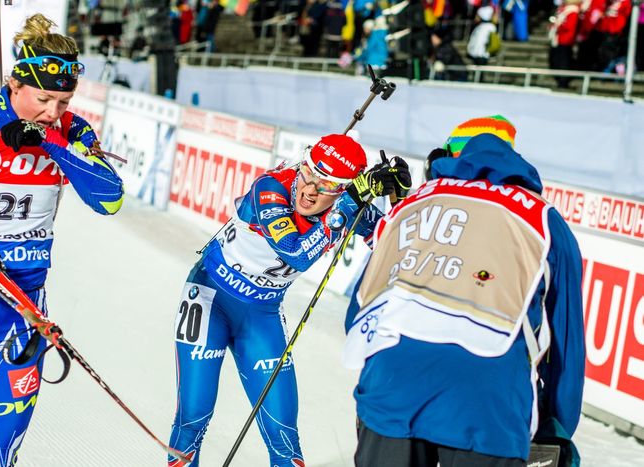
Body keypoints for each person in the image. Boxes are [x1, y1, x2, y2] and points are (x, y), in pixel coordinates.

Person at [343, 115, 585, 466]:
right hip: (490, 402)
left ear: (449, 155)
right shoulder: (545, 221)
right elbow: (566, 344)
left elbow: (360, 309)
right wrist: (558, 428)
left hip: (392, 387)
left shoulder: (410, 206)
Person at [168, 133, 412, 466]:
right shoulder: (271, 188)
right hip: (211, 298)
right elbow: (295, 252)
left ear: (343, 188)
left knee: (284, 434)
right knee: (193, 416)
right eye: (309, 174)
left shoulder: (348, 204)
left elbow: (395, 242)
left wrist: (402, 199)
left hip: (262, 315)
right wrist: (346, 203)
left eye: (326, 186)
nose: (310, 190)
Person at [0, 13, 124, 466]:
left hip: (23, 309)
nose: (54, 110)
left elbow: (109, 198)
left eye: (64, 100)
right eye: (44, 99)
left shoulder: (71, 130)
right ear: (15, 83)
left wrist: (46, 138)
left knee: (0, 456)